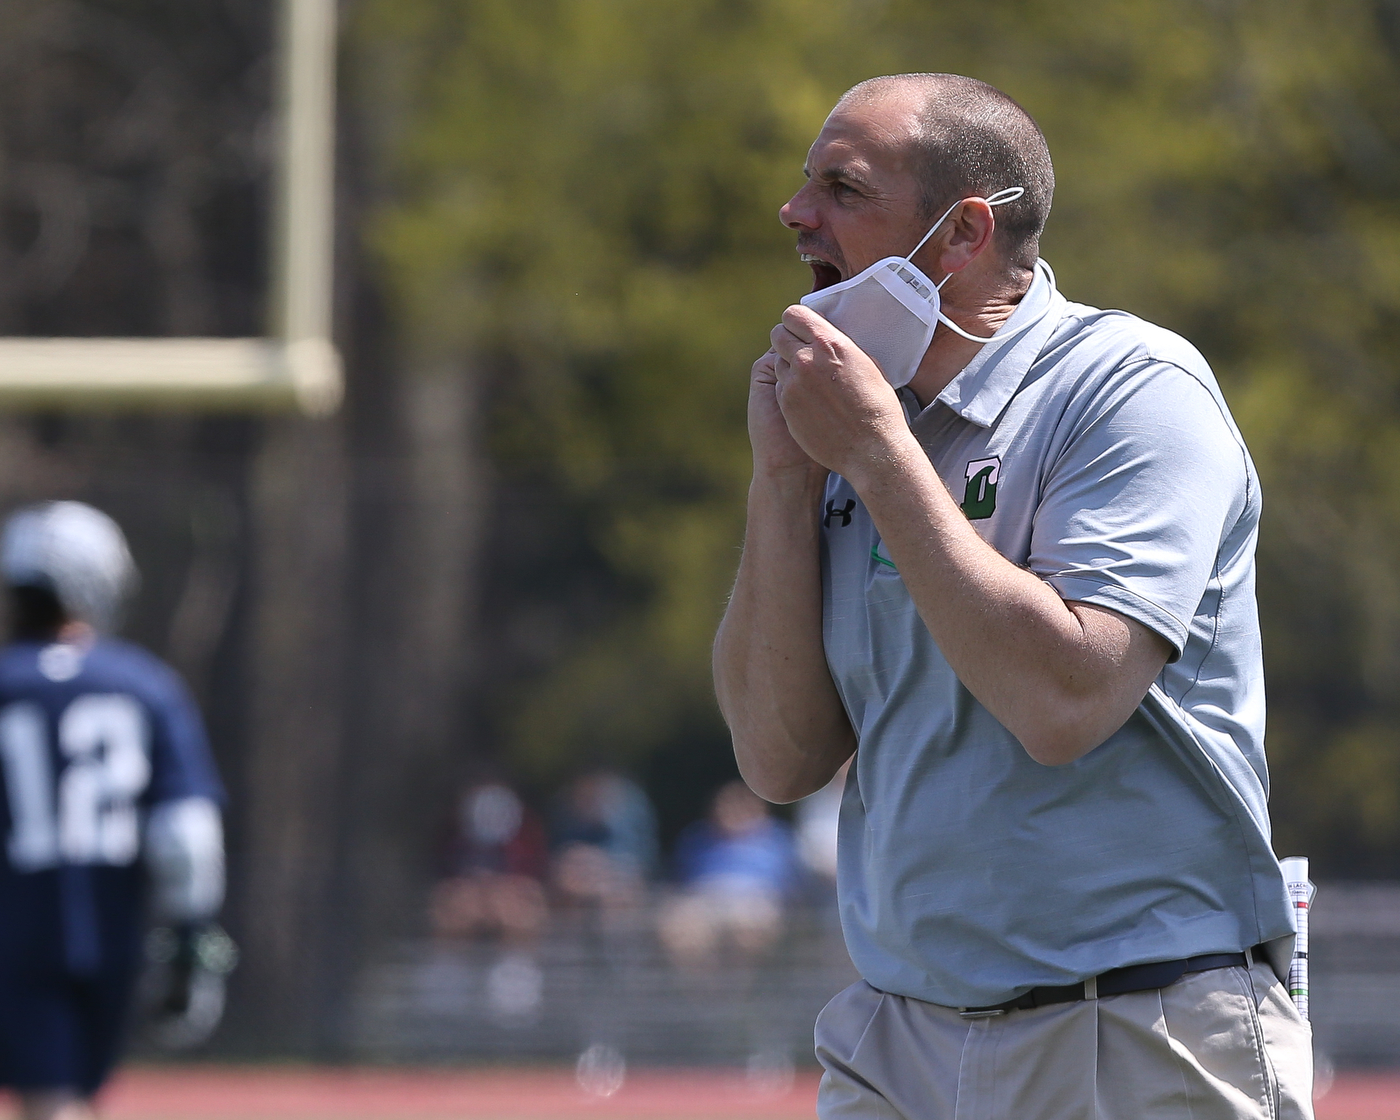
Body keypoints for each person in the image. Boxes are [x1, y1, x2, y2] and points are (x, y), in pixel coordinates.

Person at [712, 73, 1311, 1119]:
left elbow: (1062, 704)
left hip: (1129, 1034)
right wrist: (782, 480)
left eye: (841, 189)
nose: (793, 214)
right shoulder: (849, 430)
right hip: (895, 1037)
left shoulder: (1129, 389)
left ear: (961, 233)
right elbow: (777, 757)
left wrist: (876, 456)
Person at [0, 502, 226, 1120]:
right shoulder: (146, 686)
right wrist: (189, 940)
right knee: (81, 1096)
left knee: (50, 1102)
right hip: (111, 924)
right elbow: (186, 836)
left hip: (16, 930)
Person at [657, 780, 797, 967]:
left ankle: (743, 992)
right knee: (679, 928)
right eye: (726, 804)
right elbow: (680, 880)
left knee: (746, 929)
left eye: (740, 804)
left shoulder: (777, 839)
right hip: (704, 900)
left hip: (755, 901)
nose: (732, 811)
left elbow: (792, 885)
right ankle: (701, 991)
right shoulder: (696, 837)